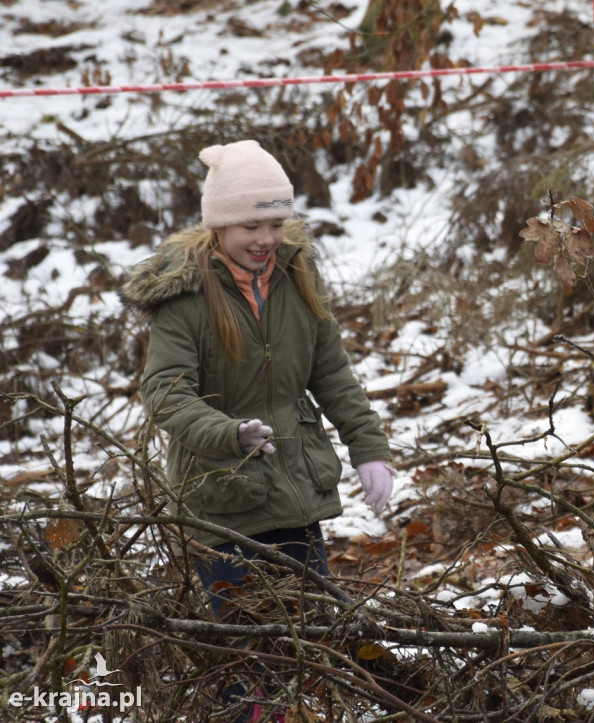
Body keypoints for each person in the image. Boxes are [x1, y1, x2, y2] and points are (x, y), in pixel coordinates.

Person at [121, 139, 394, 616]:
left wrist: (369, 449)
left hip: (296, 492)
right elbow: (164, 392)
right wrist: (228, 434)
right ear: (219, 224)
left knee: (312, 631)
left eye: (275, 224)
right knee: (250, 646)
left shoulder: (297, 275)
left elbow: (330, 372)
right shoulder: (184, 297)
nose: (266, 239)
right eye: (251, 225)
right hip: (222, 498)